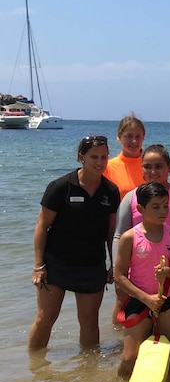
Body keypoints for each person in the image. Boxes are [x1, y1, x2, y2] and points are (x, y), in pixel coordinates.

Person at [28, 135, 120, 350]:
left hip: (91, 265)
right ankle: (35, 370)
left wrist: (113, 264)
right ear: (81, 157)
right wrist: (38, 266)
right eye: (94, 157)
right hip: (56, 265)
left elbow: (110, 231)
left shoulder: (110, 191)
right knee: (45, 319)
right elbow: (42, 227)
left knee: (89, 323)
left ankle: (88, 373)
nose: (100, 162)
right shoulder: (60, 187)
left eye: (104, 157)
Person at [114, 182, 170, 378]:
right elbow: (119, 276)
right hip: (139, 301)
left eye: (165, 205)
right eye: (156, 206)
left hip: (169, 301)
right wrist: (146, 298)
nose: (162, 211)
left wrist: (169, 272)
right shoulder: (130, 237)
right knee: (129, 357)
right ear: (140, 209)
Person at [112, 145, 170, 337]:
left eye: (159, 166)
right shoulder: (132, 197)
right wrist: (117, 272)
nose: (153, 171)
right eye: (147, 166)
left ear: (169, 167)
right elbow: (119, 234)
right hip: (139, 274)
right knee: (137, 327)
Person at [104, 113, 145, 199]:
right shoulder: (108, 167)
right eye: (129, 136)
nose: (134, 141)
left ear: (143, 137)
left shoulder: (150, 166)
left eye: (138, 136)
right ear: (119, 137)